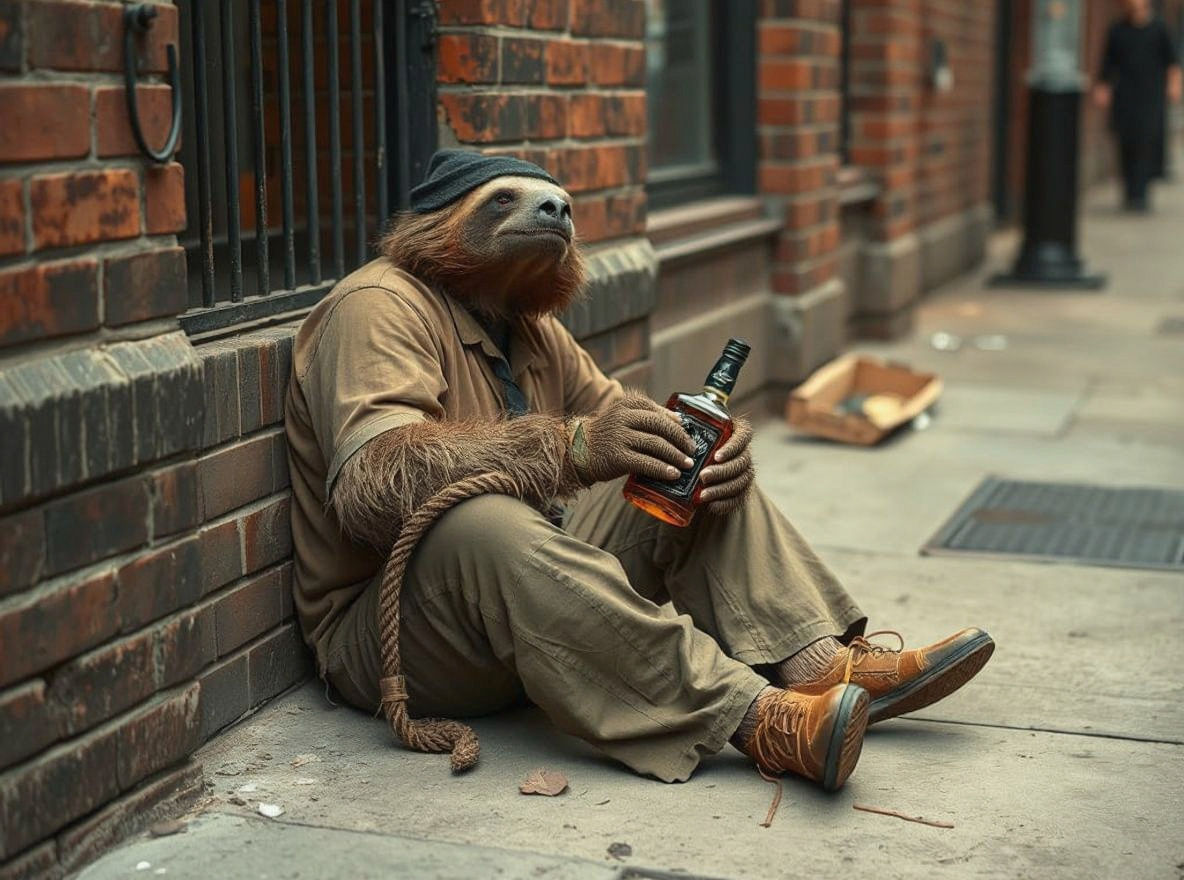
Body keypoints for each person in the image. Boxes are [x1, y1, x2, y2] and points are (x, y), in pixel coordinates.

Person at [283, 149, 995, 792]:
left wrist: (708, 453)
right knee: (480, 523)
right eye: (501, 203)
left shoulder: (528, 323)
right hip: (396, 638)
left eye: (557, 204)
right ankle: (759, 720)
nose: (549, 212)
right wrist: (574, 446)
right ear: (436, 227)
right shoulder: (379, 303)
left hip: (518, 603)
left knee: (683, 466)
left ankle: (818, 662)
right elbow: (375, 484)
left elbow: (631, 433)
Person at [1093, 0, 1183, 211]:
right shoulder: (1117, 30)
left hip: (1150, 95)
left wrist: (1174, 85)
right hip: (1125, 95)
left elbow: (1172, 61)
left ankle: (1140, 195)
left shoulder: (1159, 29)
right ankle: (1129, 191)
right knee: (1125, 140)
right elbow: (1108, 62)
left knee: (1145, 142)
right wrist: (1103, 87)